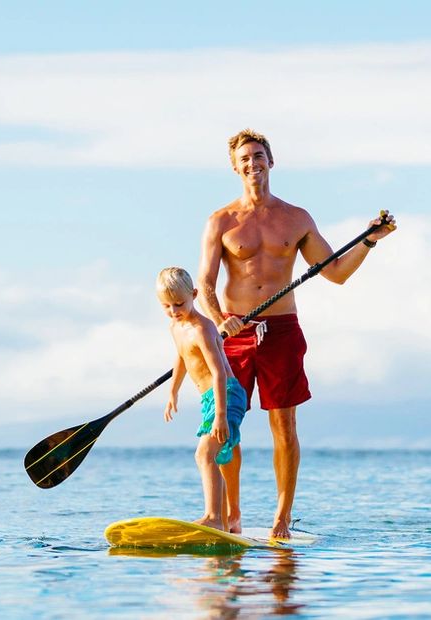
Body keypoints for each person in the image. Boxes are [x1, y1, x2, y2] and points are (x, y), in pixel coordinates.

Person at [198, 128, 397, 538]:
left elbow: (336, 273)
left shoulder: (297, 218)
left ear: (271, 161)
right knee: (226, 426)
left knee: (284, 425)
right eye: (245, 159)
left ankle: (281, 519)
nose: (253, 164)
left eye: (259, 156)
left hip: (282, 331)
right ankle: (231, 516)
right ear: (235, 168)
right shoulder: (221, 221)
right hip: (234, 332)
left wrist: (369, 243)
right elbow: (204, 285)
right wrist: (219, 319)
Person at [157, 267, 248, 531]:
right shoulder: (176, 326)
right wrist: (173, 391)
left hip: (227, 395)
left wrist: (220, 415)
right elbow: (181, 358)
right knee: (215, 457)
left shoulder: (203, 329)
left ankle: (213, 517)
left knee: (204, 454)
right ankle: (224, 520)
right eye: (167, 306)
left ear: (194, 295)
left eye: (179, 304)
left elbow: (219, 372)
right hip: (210, 398)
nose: (174, 311)